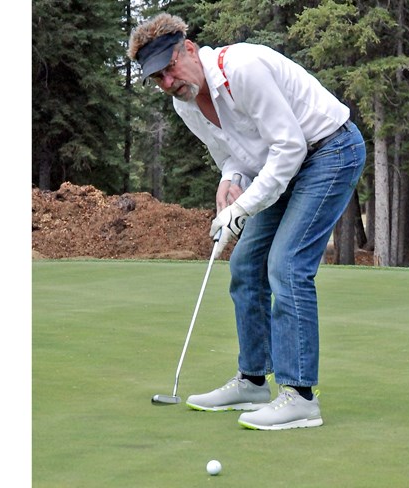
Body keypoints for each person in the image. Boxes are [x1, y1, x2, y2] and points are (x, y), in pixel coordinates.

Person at [128, 13, 366, 430]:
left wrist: (243, 207)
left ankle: (300, 397)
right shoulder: (186, 105)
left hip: (330, 151)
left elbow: (289, 146)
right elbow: (235, 153)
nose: (168, 82)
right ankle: (254, 381)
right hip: (282, 167)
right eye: (157, 78)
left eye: (170, 68)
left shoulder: (242, 68)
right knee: (244, 265)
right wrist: (230, 183)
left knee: (287, 264)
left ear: (187, 49)